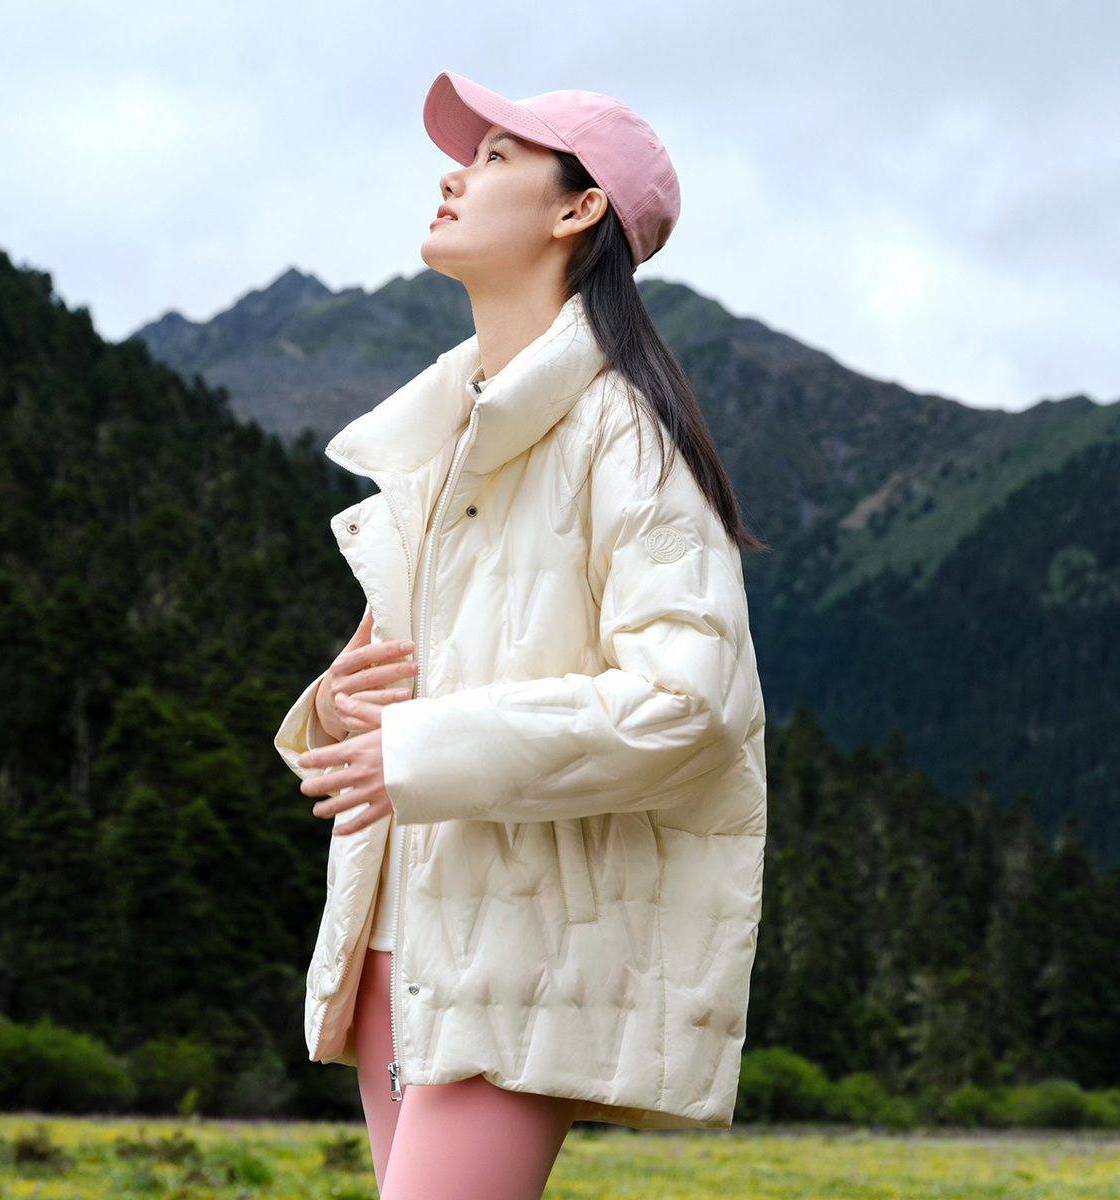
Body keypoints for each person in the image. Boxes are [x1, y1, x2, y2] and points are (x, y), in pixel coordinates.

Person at [275, 70, 766, 1200]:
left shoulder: (623, 432)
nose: (456, 175)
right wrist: (345, 706)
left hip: (521, 957)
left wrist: (419, 751)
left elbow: (688, 706)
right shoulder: (443, 435)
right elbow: (424, 686)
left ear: (578, 209)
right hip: (398, 938)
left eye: (497, 156)